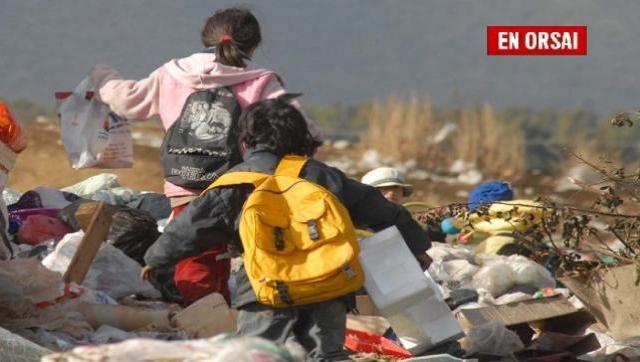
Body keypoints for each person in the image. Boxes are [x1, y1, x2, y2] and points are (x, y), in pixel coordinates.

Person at [142, 97, 431, 361]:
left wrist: (154, 260)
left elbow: (189, 228)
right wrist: (419, 249)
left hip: (265, 288)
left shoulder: (234, 182)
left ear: (245, 140)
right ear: (299, 136)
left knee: (260, 355)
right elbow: (387, 213)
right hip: (327, 284)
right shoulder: (322, 175)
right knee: (326, 356)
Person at [90, 7, 321, 305]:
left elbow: (127, 101)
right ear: (253, 44)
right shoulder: (261, 81)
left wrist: (102, 77)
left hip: (185, 186)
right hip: (242, 187)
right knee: (256, 258)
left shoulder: (171, 73)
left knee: (195, 258)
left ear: (206, 37)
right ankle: (232, 322)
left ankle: (204, 323)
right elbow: (303, 130)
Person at [361, 167, 446, 242]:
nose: (391, 192)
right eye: (384, 188)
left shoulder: (405, 222)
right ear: (369, 194)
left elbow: (426, 248)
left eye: (396, 188)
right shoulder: (356, 221)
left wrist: (436, 228)